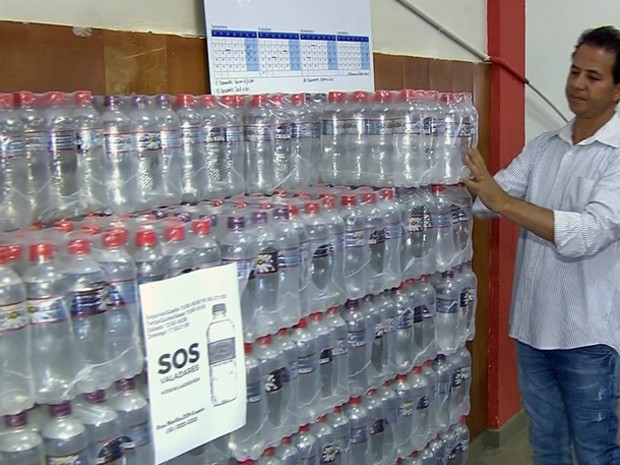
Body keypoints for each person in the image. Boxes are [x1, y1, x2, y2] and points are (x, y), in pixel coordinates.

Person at [464, 25, 620, 465]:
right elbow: (490, 200)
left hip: (587, 337)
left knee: (594, 452)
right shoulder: (545, 147)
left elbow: (590, 232)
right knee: (547, 447)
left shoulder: (616, 156)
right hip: (532, 328)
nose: (577, 84)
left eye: (593, 76)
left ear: (617, 89)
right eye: (574, 71)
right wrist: (449, 176)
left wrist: (501, 199)